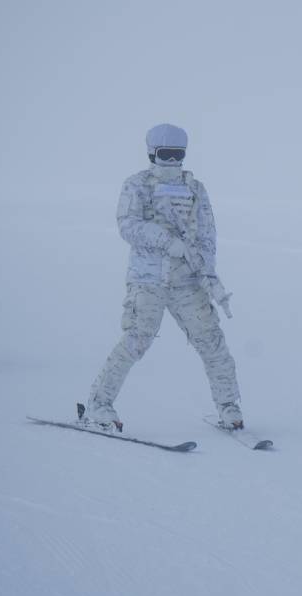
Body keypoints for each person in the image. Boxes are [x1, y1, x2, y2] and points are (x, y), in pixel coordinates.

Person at [82, 123, 242, 432]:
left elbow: (207, 235)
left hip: (188, 281)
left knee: (212, 342)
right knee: (136, 341)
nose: (171, 163)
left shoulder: (196, 189)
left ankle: (229, 406)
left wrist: (208, 274)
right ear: (152, 153)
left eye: (177, 155)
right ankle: (99, 404)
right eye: (165, 155)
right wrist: (167, 242)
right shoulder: (137, 185)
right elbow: (127, 224)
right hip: (149, 279)